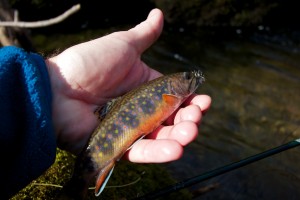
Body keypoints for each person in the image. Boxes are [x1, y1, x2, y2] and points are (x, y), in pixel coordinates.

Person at [0, 8, 211, 198]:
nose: (191, 79)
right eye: (187, 78)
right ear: (171, 87)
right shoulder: (170, 96)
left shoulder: (170, 94)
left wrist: (50, 87)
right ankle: (77, 188)